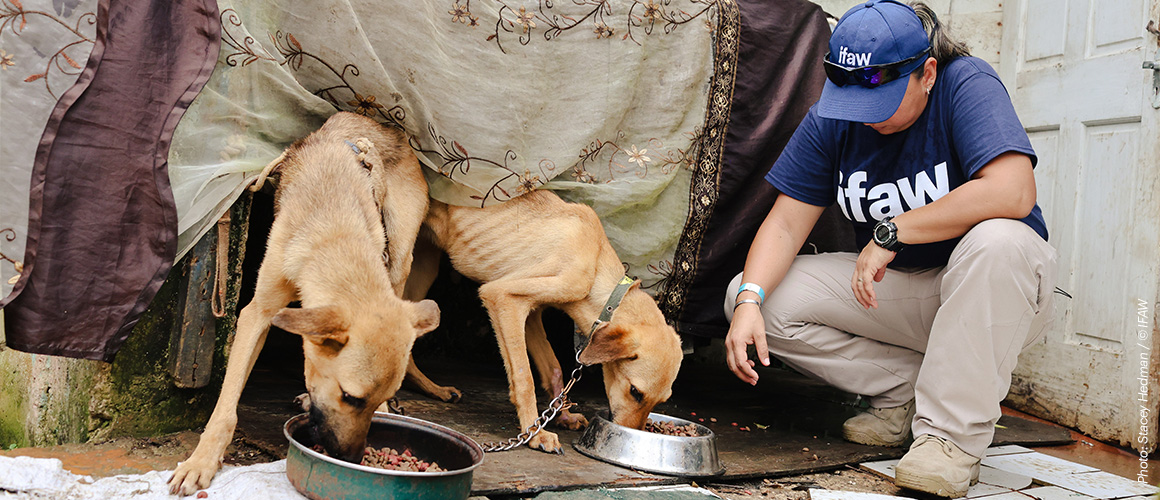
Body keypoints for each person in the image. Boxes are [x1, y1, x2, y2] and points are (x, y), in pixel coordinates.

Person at [722, 1, 1056, 498]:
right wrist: (750, 300)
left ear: (927, 73)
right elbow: (786, 226)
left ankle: (948, 442)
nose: (865, 117)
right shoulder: (835, 115)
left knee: (999, 239)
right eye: (851, 100)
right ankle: (902, 393)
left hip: (994, 289)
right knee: (751, 296)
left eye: (879, 102)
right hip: (904, 296)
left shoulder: (967, 84)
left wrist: (893, 230)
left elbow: (1013, 191)